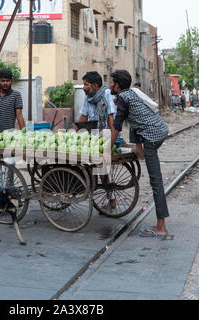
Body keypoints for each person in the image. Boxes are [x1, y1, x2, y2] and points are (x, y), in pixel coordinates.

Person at [110, 70, 169, 238]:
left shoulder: (123, 98)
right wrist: (137, 147)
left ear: (118, 85)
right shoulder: (131, 93)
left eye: (112, 82)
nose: (110, 85)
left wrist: (106, 150)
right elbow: (134, 117)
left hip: (152, 136)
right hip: (159, 129)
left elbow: (116, 127)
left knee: (155, 182)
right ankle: (140, 150)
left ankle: (161, 227)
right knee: (133, 121)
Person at [78, 71, 117, 210]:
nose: (83, 87)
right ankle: (96, 190)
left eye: (85, 84)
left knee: (102, 170)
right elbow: (83, 117)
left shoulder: (106, 94)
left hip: (105, 134)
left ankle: (111, 198)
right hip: (92, 136)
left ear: (94, 85)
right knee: (92, 167)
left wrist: (111, 141)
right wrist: (75, 134)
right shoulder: (88, 97)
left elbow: (110, 117)